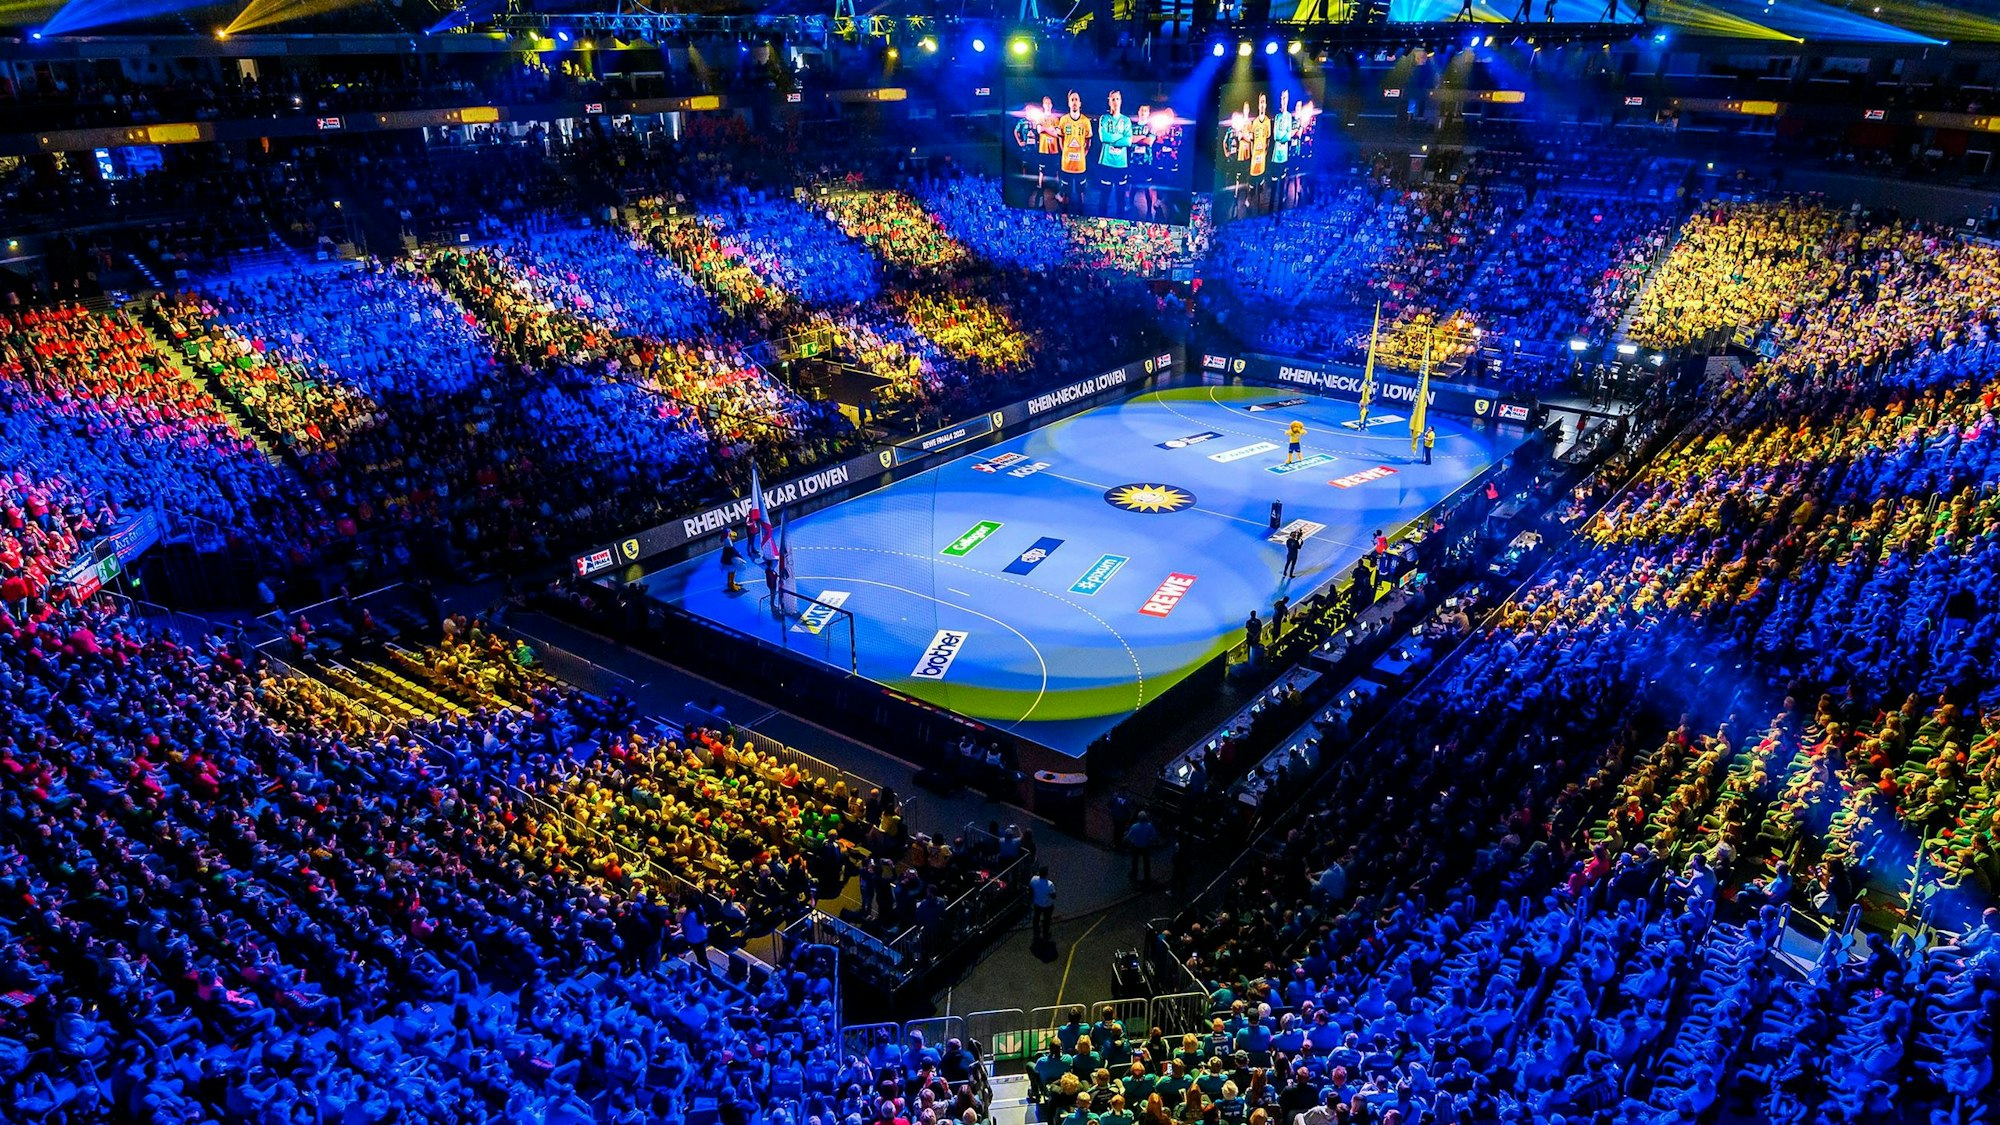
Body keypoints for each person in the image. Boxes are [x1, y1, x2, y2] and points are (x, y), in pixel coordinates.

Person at [1126, 811, 1161, 884]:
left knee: (1135, 861)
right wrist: (1149, 840)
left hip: (1136, 846)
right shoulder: (1149, 826)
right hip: (1145, 846)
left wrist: (1132, 842)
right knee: (1146, 862)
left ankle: (1134, 874)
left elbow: (1128, 837)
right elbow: (1155, 836)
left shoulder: (1134, 826)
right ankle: (1147, 877)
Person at [1031, 866, 1057, 941]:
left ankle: (1036, 932)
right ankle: (1045, 933)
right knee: (1047, 919)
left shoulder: (1034, 880)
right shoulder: (1050, 884)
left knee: (1036, 917)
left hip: (1037, 903)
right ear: (1046, 874)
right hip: (1047, 905)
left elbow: (1031, 888)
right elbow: (1053, 896)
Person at [721, 529, 745, 594]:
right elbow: (732, 551)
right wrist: (738, 554)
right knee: (732, 571)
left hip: (727, 560)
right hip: (729, 561)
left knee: (731, 572)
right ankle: (732, 586)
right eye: (729, 532)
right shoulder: (728, 542)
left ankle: (730, 583)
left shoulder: (726, 540)